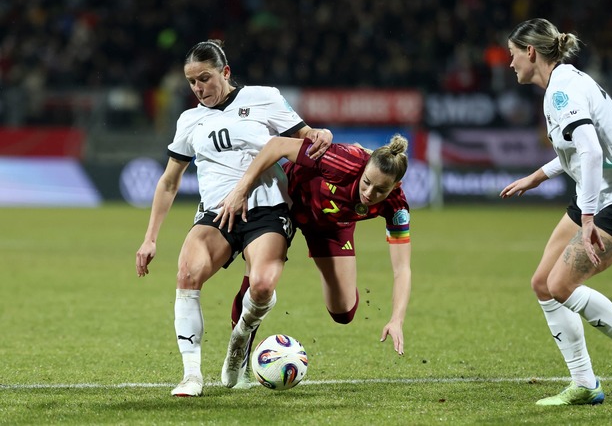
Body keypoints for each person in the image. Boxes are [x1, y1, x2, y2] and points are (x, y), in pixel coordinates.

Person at [135, 39, 332, 397]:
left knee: (261, 286)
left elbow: (307, 137)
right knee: (187, 274)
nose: (198, 89)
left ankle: (240, 338)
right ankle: (192, 375)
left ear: (225, 72)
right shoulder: (189, 120)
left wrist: (323, 133)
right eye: (192, 82)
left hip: (268, 208)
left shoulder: (265, 98)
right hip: (216, 213)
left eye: (205, 79)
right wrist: (150, 238)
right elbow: (169, 181)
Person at [500, 18, 612, 406]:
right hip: (600, 192)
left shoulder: (562, 90)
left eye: (512, 55)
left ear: (530, 52)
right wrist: (537, 176)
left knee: (562, 285)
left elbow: (593, 151)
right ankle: (585, 382)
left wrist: (590, 219)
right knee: (543, 283)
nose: (510, 64)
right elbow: (582, 149)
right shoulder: (566, 82)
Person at [216, 133, 412, 384]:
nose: (369, 193)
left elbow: (402, 269)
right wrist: (241, 189)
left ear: (395, 187)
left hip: (330, 225)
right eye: (366, 183)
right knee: (260, 279)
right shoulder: (342, 160)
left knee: (343, 312)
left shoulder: (397, 207)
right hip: (286, 203)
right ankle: (240, 351)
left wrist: (397, 319)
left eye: (380, 190)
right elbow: (278, 145)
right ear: (363, 168)